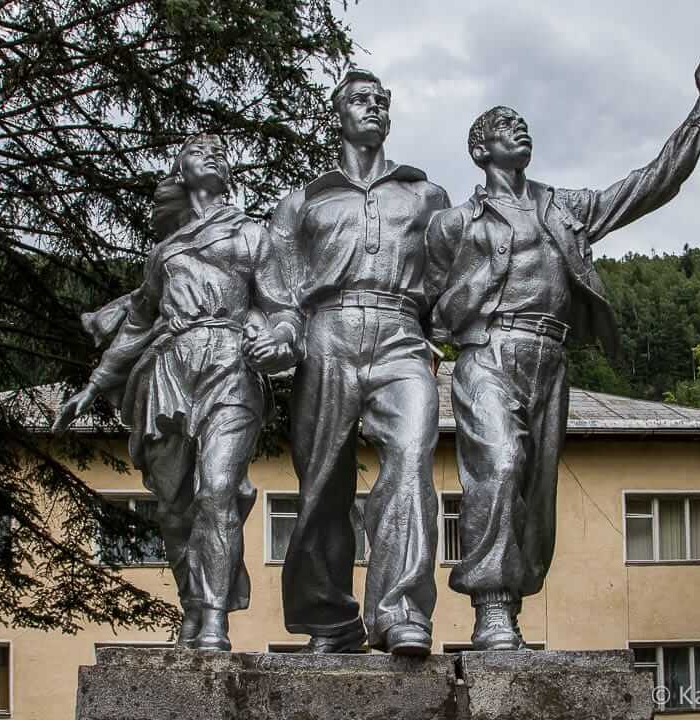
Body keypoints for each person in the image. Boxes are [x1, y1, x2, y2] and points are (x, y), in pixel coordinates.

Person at [427, 59, 700, 650]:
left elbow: (651, 184)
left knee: (536, 493)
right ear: (480, 148)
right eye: (506, 124)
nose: (521, 129)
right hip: (486, 351)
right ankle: (491, 605)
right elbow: (425, 302)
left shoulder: (563, 208)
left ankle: (512, 599)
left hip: (549, 355)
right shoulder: (454, 223)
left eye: (523, 124)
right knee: (501, 465)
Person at [53, 132, 300, 651]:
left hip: (230, 365)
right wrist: (94, 385)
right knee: (173, 507)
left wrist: (278, 338)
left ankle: (214, 619)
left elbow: (283, 309)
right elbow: (137, 327)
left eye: (219, 151)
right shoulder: (164, 253)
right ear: (180, 173)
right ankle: (193, 602)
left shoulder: (255, 235)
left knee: (217, 492)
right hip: (169, 373)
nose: (211, 154)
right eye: (196, 151)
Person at [265, 68, 450, 655]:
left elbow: (451, 275)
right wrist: (286, 331)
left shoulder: (426, 196)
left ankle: (400, 613)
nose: (373, 108)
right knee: (323, 484)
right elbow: (279, 288)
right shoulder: (301, 201)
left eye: (381, 101)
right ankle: (331, 620)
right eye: (360, 100)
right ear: (338, 113)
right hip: (328, 331)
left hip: (401, 333)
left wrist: (440, 329)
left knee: (412, 459)